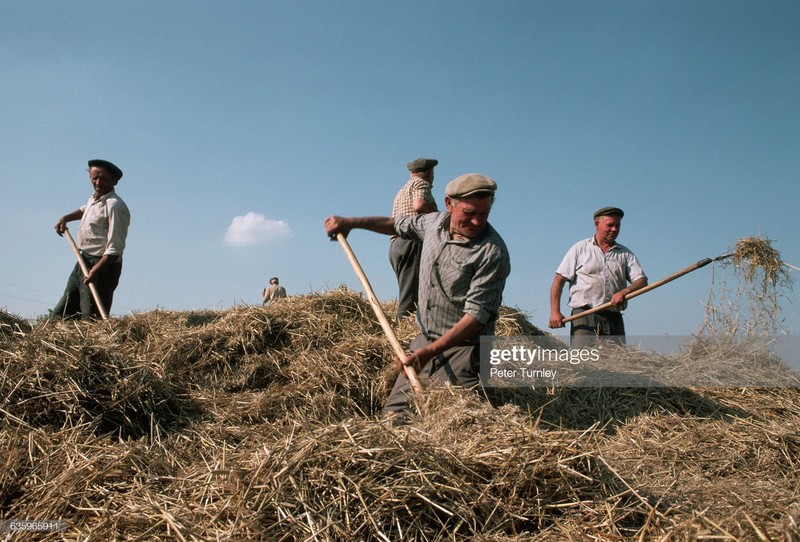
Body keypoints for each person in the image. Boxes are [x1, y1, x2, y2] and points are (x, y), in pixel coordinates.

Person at [325, 173, 511, 424]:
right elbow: (394, 224)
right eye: (469, 213)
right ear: (449, 204)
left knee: (456, 423)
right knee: (394, 420)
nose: (477, 221)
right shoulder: (432, 223)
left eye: (484, 214)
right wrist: (350, 222)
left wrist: (430, 353)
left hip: (466, 350)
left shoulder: (492, 253)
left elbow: (476, 317)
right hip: (424, 342)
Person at [549, 206, 647, 346]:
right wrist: (555, 312)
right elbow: (559, 281)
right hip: (584, 316)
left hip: (614, 318)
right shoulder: (580, 248)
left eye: (617, 226)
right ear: (597, 224)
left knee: (618, 364)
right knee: (584, 363)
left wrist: (624, 292)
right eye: (610, 225)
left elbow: (642, 280)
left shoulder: (625, 253)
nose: (614, 229)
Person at [52, 159, 131, 320]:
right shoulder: (94, 199)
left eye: (103, 178)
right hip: (83, 260)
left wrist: (96, 270)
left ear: (114, 181)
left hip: (103, 266)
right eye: (94, 178)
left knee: (90, 317)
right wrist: (66, 218)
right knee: (65, 308)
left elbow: (115, 248)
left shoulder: (115, 205)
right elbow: (85, 209)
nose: (98, 182)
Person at [389, 157, 439, 320]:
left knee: (409, 290)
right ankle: (400, 332)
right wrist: (439, 217)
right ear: (429, 173)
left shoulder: (402, 190)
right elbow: (419, 205)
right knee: (411, 295)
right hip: (412, 243)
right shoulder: (421, 184)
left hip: (397, 245)